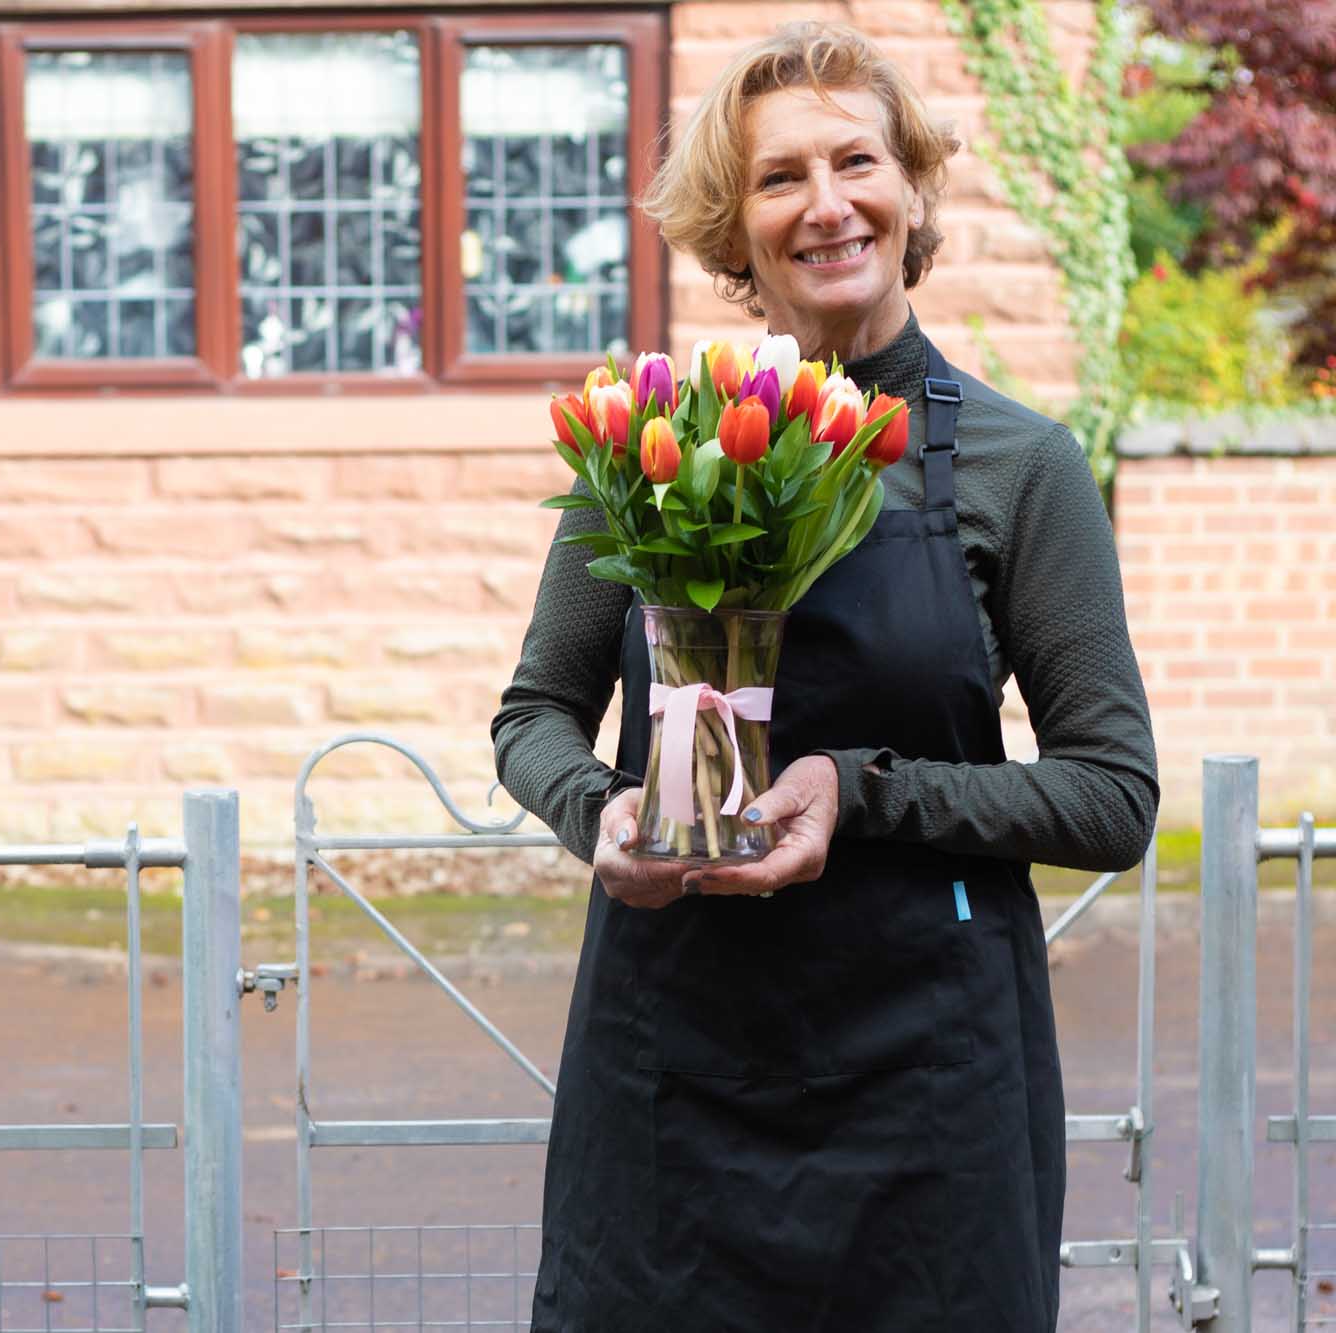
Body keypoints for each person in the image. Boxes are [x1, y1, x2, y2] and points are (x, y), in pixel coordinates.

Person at [492, 22, 1158, 1332]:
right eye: (780, 176)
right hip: (670, 1073)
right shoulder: (646, 448)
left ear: (913, 193)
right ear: (734, 227)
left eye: (856, 160)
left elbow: (1112, 797)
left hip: (928, 1086)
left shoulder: (1021, 470)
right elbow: (536, 716)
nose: (826, 202)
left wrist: (858, 791)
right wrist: (599, 812)